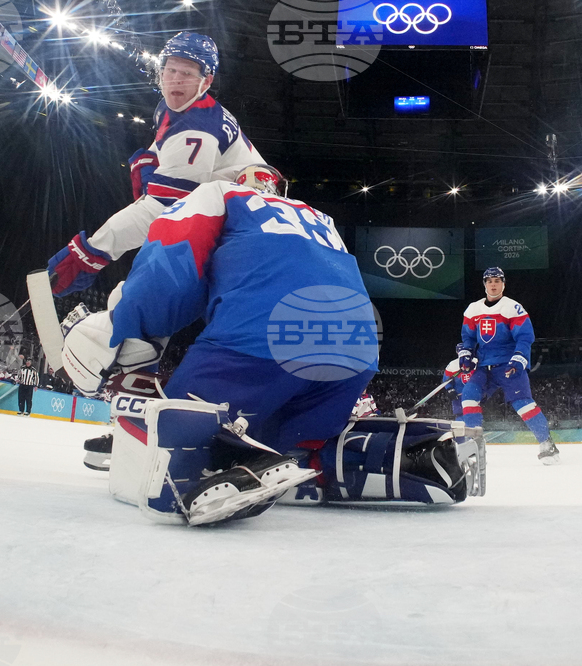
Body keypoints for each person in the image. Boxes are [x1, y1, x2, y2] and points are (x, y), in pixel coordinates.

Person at [59, 165, 478, 524]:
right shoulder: (320, 219)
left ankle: (214, 459)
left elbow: (171, 261)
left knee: (176, 444)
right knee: (296, 443)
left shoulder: (220, 193)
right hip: (355, 351)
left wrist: (124, 330)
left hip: (264, 337)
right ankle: (403, 457)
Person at [47, 31, 264, 299]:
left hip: (245, 227)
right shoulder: (175, 106)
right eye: (170, 70)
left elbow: (165, 208)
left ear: (206, 81)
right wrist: (150, 160)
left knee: (158, 285)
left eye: (186, 74)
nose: (174, 79)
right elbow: (164, 146)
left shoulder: (197, 130)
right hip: (238, 204)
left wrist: (93, 251)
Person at [457, 267, 559, 464]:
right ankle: (474, 445)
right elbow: (468, 338)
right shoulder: (473, 309)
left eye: (497, 280)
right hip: (483, 365)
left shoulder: (513, 307)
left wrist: (519, 358)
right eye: (489, 281)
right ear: (484, 284)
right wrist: (466, 354)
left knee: (523, 403)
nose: (493, 284)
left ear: (503, 283)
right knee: (468, 395)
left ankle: (547, 444)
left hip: (507, 364)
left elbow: (525, 337)